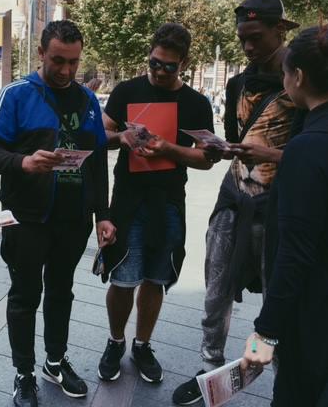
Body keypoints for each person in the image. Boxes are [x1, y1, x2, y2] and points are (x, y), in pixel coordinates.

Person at [240, 23, 328, 406]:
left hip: (316, 311)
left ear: (298, 77)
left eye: (286, 73)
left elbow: (295, 253)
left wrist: (264, 335)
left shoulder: (307, 149)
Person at [173, 0, 301, 405]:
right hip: (233, 201)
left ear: (280, 30)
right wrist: (218, 148)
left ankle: (285, 380)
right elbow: (234, 138)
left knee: (279, 301)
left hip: (282, 210)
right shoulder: (238, 83)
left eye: (256, 37)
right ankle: (209, 369)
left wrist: (272, 155)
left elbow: (317, 153)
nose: (247, 46)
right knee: (216, 291)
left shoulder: (301, 81)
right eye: (242, 38)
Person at [0, 20, 116, 407]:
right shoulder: (16, 94)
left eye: (73, 62)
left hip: (72, 221)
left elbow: (97, 161)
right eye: (58, 60)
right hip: (27, 219)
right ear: (41, 53)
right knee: (25, 296)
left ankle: (55, 362)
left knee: (61, 292)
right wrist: (23, 162)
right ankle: (24, 373)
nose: (66, 70)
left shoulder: (88, 100)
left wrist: (103, 214)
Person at [97, 23, 216, 385]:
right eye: (155, 63)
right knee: (123, 278)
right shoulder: (127, 91)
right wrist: (121, 136)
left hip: (169, 202)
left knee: (155, 278)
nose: (161, 72)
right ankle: (115, 342)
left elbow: (206, 158)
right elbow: (100, 133)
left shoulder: (196, 103)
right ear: (148, 55)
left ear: (185, 63)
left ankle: (142, 345)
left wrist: (168, 149)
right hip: (128, 199)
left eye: (169, 66)